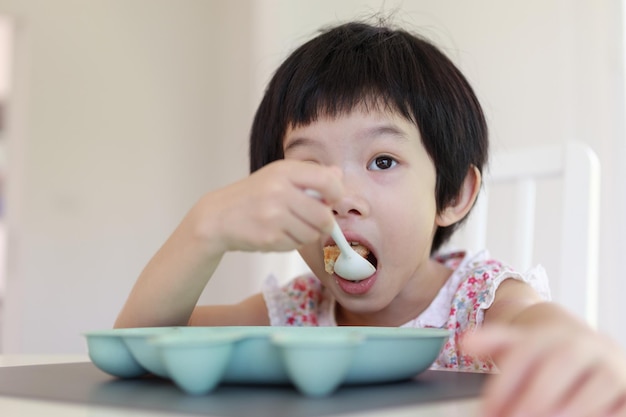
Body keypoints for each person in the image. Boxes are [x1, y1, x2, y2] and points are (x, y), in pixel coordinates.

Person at [115, 20, 626, 417]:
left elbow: (537, 326)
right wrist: (203, 229)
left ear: (453, 194)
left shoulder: (477, 304)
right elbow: (138, 346)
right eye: (308, 166)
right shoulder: (293, 316)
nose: (343, 197)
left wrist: (574, 346)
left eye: (382, 161)